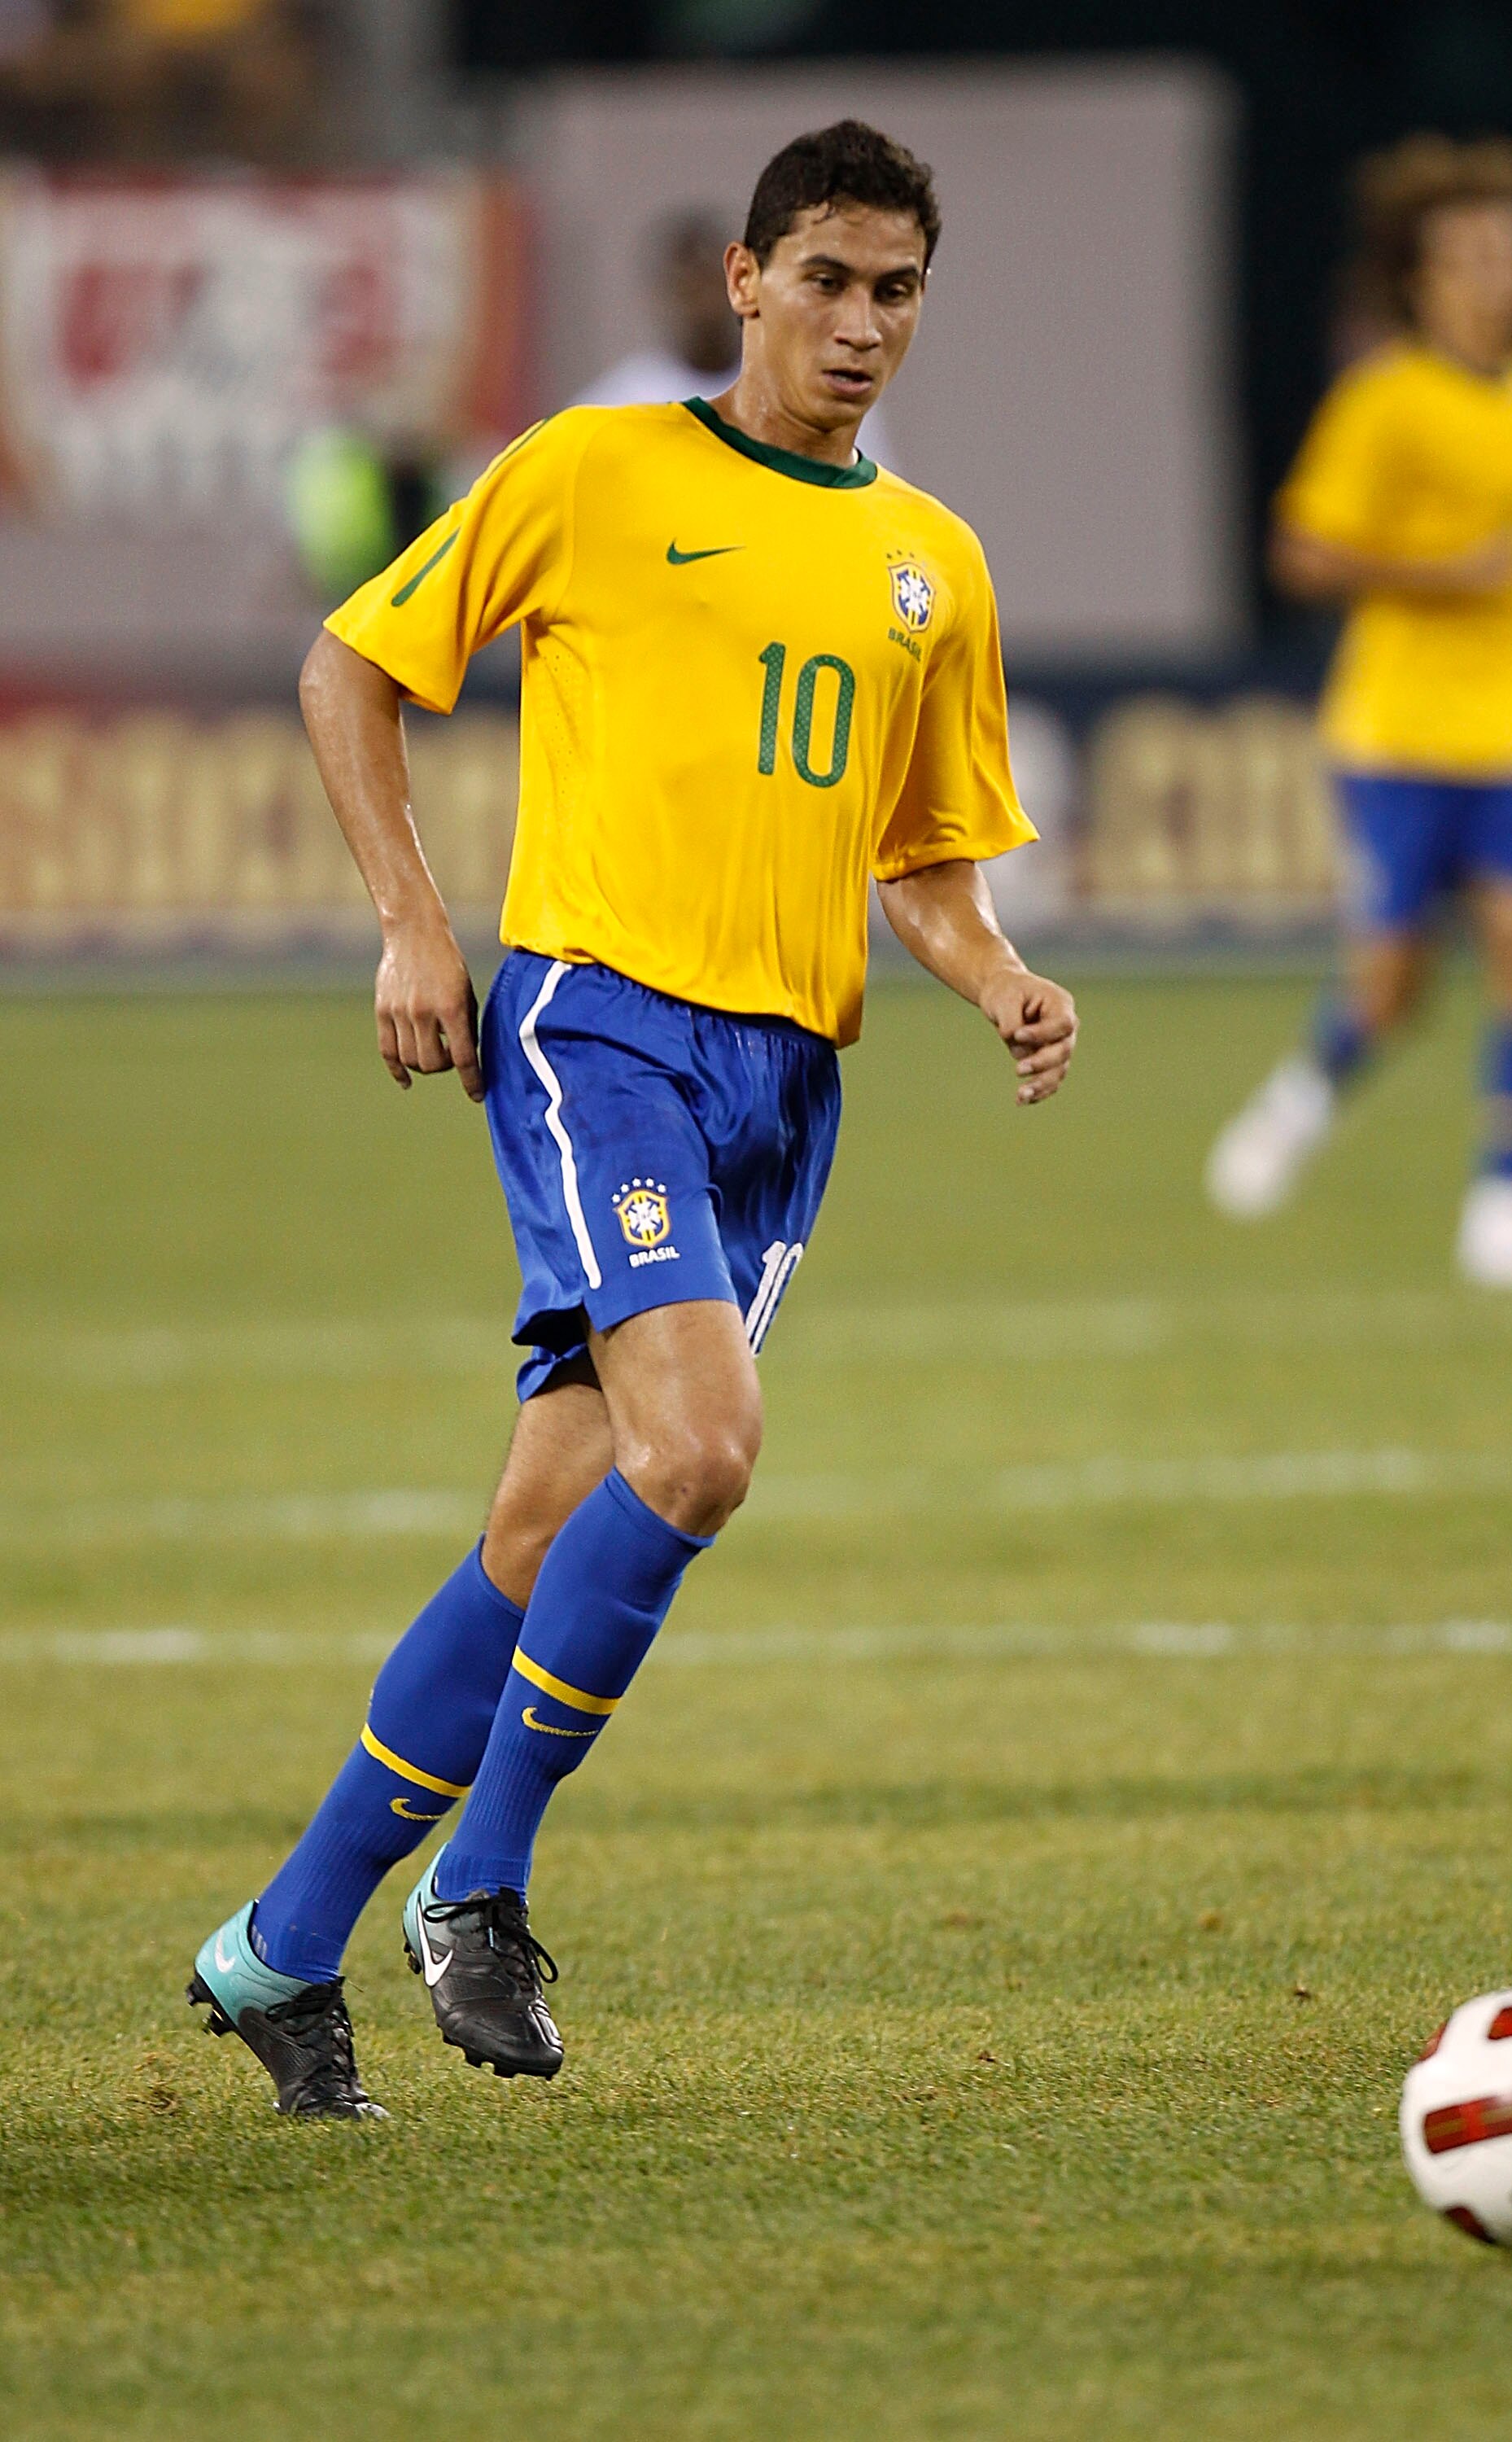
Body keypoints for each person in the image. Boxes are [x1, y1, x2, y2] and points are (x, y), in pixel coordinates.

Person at [186, 119, 1077, 2118]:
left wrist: (993, 967)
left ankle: (273, 1948)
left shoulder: (933, 560)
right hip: (601, 1029)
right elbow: (353, 664)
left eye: (898, 290)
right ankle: (478, 1890)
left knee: (541, 1517)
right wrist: (417, 926)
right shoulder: (594, 472)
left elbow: (923, 856)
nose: (861, 323)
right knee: (700, 1451)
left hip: (787, 1079)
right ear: (745, 279)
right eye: (828, 280)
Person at [1207, 136, 1512, 1297]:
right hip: (1397, 729)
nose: (1501, 275)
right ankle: (1304, 1096)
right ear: (1421, 277)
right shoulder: (1384, 401)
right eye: (1473, 256)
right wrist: (1435, 570)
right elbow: (1299, 549)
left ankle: (1506, 1204)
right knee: (1395, 983)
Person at [578, 204, 894, 464]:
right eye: (689, 286)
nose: (703, 302)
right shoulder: (618, 403)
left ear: (742, 281)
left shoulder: (817, 390)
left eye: (712, 282)